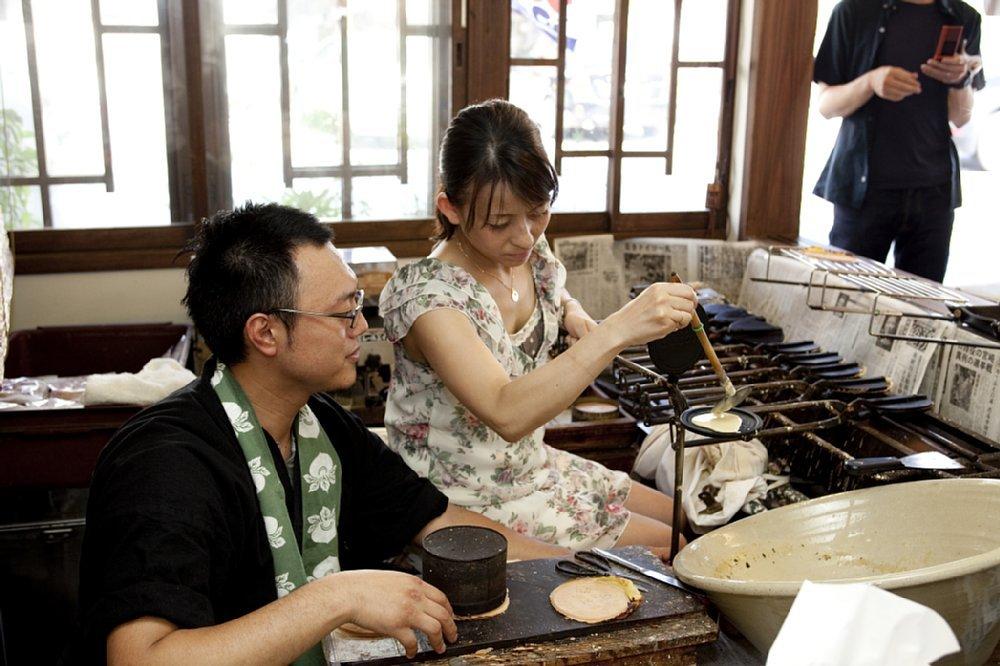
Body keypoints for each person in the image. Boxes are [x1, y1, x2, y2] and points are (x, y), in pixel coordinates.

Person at [69, 203, 568, 665]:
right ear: (265, 333)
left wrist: (586, 564)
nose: (359, 326)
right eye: (343, 312)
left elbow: (436, 521)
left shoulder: (320, 424)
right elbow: (140, 658)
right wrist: (337, 596)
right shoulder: (165, 463)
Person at [379, 100, 697, 555]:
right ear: (450, 208)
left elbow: (556, 293)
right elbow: (506, 412)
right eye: (499, 222)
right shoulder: (429, 298)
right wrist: (617, 330)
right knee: (670, 549)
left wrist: (574, 314)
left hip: (532, 467)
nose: (525, 236)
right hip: (462, 496)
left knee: (681, 515)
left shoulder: (526, 251)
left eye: (538, 211)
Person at [812, 0, 985, 283]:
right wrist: (870, 82)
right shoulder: (854, 11)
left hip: (934, 195)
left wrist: (961, 80)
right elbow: (826, 105)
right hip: (863, 193)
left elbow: (960, 117)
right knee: (848, 303)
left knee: (922, 311)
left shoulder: (963, 16)